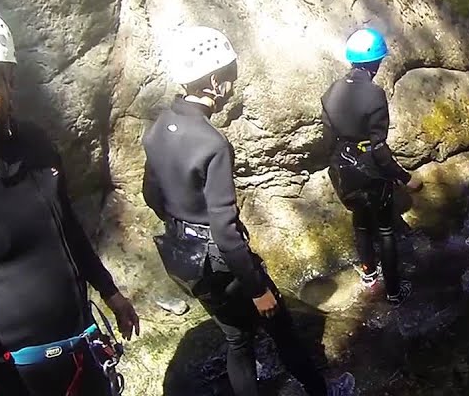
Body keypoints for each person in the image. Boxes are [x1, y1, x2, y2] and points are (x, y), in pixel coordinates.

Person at [0, 10, 139, 396]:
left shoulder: (36, 145)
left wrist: (110, 292)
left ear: (11, 83)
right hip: (19, 374)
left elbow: (67, 228)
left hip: (81, 349)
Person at [142, 27, 348, 396]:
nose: (232, 87)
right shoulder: (212, 143)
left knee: (237, 340)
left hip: (184, 257)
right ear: (214, 81)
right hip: (221, 262)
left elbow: (150, 195)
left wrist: (185, 221)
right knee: (281, 329)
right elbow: (225, 231)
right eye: (230, 77)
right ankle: (322, 391)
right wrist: (257, 290)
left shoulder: (157, 128)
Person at [321, 28, 423, 305]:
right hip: (370, 171)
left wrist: (339, 167)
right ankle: (394, 292)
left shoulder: (331, 91)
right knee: (386, 230)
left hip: (343, 167)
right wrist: (405, 178)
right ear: (376, 63)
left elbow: (328, 140)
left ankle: (369, 276)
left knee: (361, 224)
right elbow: (379, 149)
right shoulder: (375, 94)